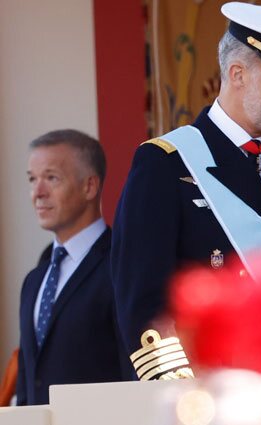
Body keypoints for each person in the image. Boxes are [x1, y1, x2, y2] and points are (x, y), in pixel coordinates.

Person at [112, 3, 261, 355]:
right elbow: (143, 303)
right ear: (237, 74)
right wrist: (187, 398)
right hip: (209, 388)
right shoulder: (164, 163)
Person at [18, 130, 129, 405]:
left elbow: (133, 373)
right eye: (33, 179)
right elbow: (27, 381)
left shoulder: (121, 266)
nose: (38, 193)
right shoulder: (35, 279)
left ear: (90, 186)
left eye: (51, 178)